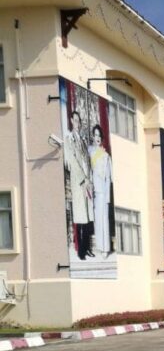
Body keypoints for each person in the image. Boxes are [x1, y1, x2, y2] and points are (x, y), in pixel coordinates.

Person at [65, 110, 94, 260]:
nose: (77, 124)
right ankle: (81, 251)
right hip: (78, 182)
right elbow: (73, 162)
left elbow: (87, 161)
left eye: (79, 121)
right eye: (75, 121)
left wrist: (89, 180)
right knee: (81, 217)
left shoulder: (82, 140)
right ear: (71, 121)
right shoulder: (69, 139)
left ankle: (87, 248)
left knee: (88, 217)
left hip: (87, 182)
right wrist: (82, 180)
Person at [88, 124, 112, 257]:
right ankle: (100, 246)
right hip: (95, 190)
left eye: (99, 135)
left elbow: (108, 177)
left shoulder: (105, 155)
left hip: (103, 190)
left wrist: (108, 195)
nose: (97, 137)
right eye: (95, 135)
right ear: (93, 136)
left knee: (105, 219)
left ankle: (105, 248)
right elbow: (89, 171)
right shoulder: (91, 152)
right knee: (98, 219)